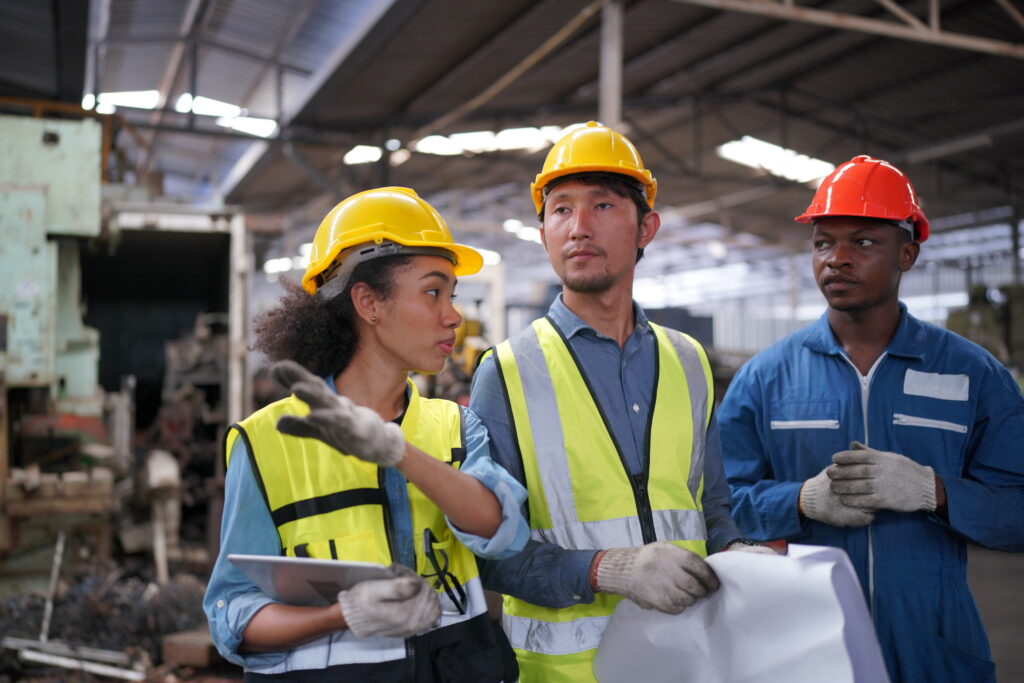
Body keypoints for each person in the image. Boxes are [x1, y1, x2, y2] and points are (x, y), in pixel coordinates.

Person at [469, 121, 772, 682]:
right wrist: (610, 569)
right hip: (566, 672)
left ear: (645, 228)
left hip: (689, 658)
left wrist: (738, 554)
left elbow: (710, 509)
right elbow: (491, 552)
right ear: (543, 234)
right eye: (560, 209)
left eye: (603, 206)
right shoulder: (506, 372)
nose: (579, 227)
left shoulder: (689, 361)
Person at [717, 155, 1024, 682]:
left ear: (907, 253)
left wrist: (936, 492)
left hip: (934, 644)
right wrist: (800, 500)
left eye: (861, 242)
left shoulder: (973, 374)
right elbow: (716, 507)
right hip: (805, 645)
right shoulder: (764, 378)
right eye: (822, 242)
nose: (836, 259)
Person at [204, 187, 529, 681]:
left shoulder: (456, 427)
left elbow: (501, 532)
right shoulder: (265, 442)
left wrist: (401, 454)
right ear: (368, 302)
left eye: (452, 295)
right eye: (433, 291)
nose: (453, 315)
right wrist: (342, 616)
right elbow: (233, 615)